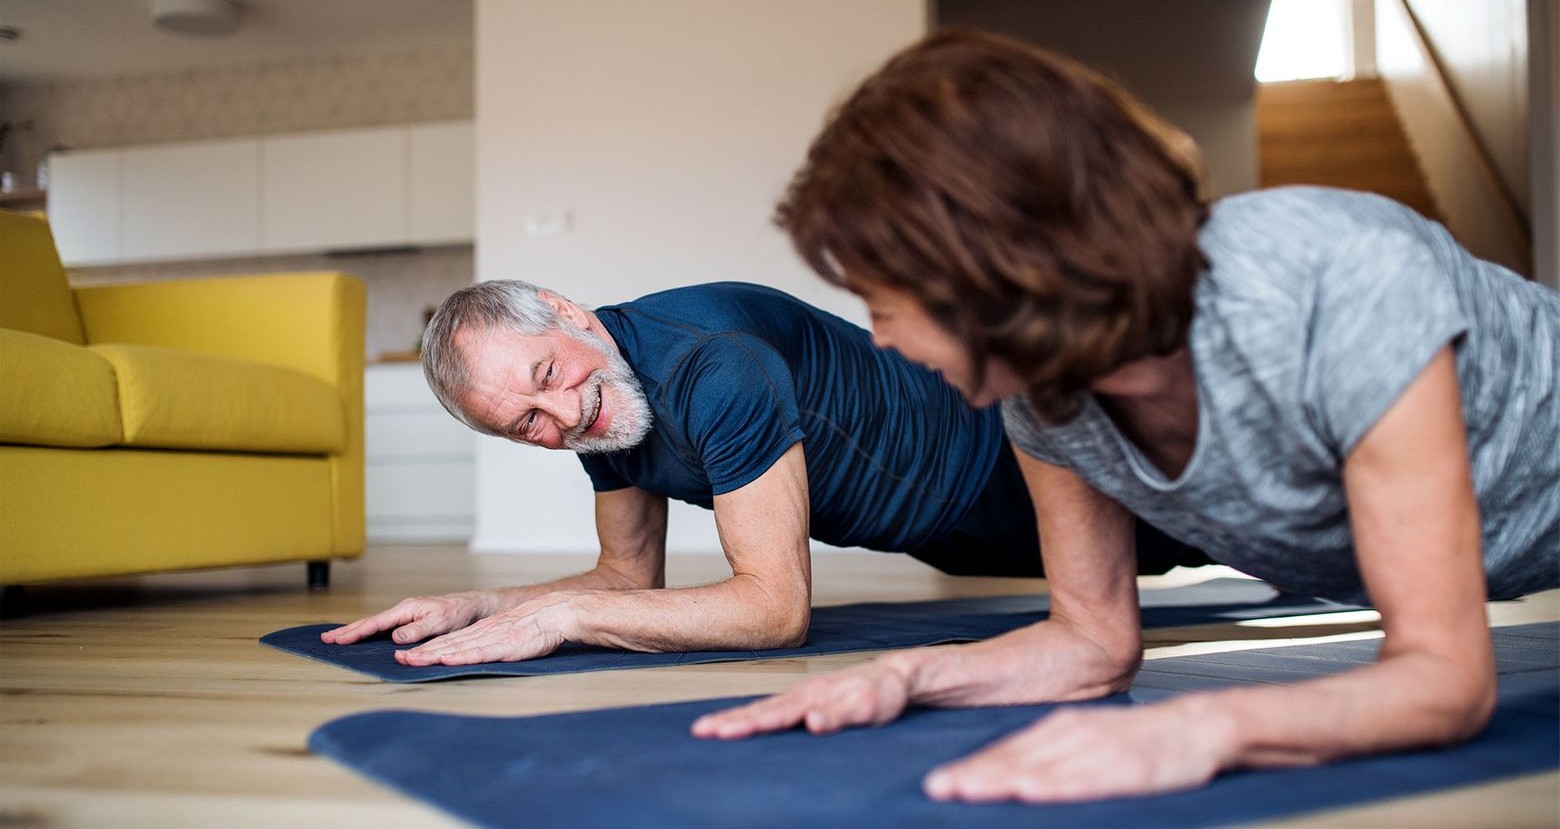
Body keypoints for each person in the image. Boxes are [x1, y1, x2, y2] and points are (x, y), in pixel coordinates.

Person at [692, 29, 1559, 804]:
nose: (881, 341)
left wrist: (1195, 729)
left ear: (988, 268)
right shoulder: (1045, 404)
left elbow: (1444, 678)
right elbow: (1091, 643)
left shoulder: (1343, 281)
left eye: (884, 305)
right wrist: (904, 675)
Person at [322, 280, 1205, 665]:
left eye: (546, 374)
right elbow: (626, 577)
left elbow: (775, 610)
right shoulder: (603, 408)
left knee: (1225, 529)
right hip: (947, 532)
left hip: (1008, 467)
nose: (561, 415)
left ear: (565, 312)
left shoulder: (712, 366)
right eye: (527, 424)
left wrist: (568, 616)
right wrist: (482, 604)